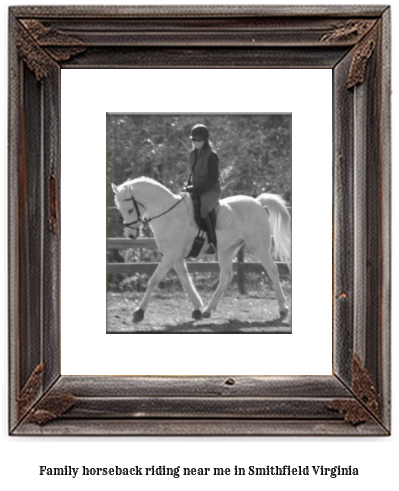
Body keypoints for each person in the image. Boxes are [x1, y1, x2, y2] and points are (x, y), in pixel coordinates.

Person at [185, 124, 221, 254]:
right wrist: (188, 186)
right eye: (193, 139)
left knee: (204, 209)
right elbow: (192, 173)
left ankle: (212, 243)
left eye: (199, 140)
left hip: (211, 190)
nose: (196, 142)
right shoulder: (192, 154)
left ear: (205, 140)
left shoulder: (212, 155)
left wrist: (199, 190)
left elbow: (214, 178)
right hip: (196, 189)